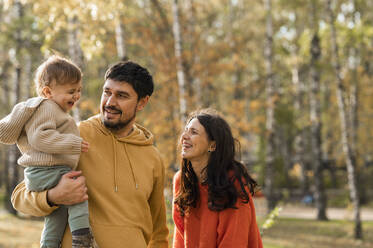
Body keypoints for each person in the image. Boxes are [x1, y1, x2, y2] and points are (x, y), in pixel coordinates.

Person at [11, 61, 169, 248]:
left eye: (122, 96)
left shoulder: (153, 158)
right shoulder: (73, 136)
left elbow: (158, 232)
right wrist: (53, 196)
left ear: (142, 102)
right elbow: (20, 198)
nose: (110, 102)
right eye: (107, 92)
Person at [0, 55, 98, 248]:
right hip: (47, 171)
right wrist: (73, 143)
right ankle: (82, 238)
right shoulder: (47, 107)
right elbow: (40, 138)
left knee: (56, 219)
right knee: (77, 192)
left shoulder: (53, 109)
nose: (76, 96)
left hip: (42, 173)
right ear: (47, 92)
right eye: (71, 91)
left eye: (78, 90)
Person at [172, 109, 263, 248]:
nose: (184, 136)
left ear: (212, 145)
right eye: (186, 130)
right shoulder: (182, 180)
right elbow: (179, 237)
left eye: (193, 132)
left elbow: (233, 242)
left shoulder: (232, 184)